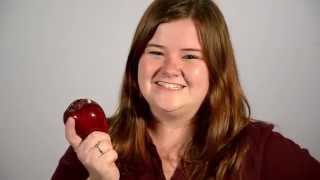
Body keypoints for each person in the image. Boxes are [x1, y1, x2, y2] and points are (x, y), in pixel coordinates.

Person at [52, 0, 320, 179]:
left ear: (216, 69)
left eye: (190, 56)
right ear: (136, 62)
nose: (170, 68)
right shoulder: (92, 150)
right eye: (156, 52)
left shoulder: (260, 151)